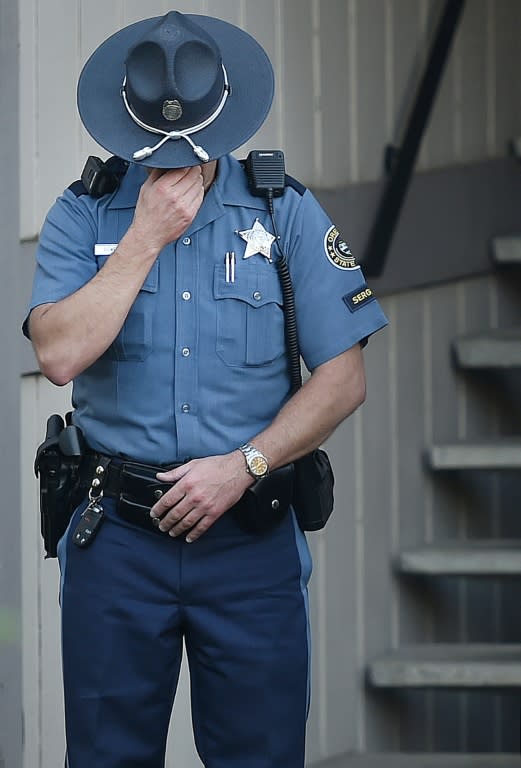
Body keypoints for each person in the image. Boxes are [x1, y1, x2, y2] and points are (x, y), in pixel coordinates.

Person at [24, 10, 388, 768]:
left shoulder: (282, 209)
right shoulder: (83, 212)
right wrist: (144, 238)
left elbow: (343, 378)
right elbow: (58, 355)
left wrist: (245, 464)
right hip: (117, 540)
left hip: (249, 539)